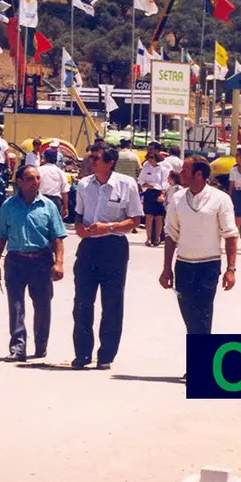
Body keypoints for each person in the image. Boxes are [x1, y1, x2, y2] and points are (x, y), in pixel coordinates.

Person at [160, 156, 237, 377]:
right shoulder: (177, 199)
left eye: (185, 170)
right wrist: (167, 268)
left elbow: (231, 235)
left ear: (199, 175)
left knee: (202, 314)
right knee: (189, 316)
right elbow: (170, 235)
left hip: (208, 266)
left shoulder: (220, 199)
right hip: (183, 266)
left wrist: (231, 269)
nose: (180, 173)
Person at [71, 145, 144, 370]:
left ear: (110, 162)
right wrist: (80, 230)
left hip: (114, 247)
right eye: (91, 157)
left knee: (112, 303)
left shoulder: (126, 184)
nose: (91, 161)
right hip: (89, 248)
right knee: (82, 303)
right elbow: (78, 217)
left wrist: (109, 227)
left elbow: (135, 220)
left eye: (96, 158)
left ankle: (106, 355)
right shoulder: (84, 185)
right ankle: (82, 353)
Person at [0, 165, 66, 362]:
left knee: (42, 305)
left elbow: (58, 237)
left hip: (41, 261)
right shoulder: (8, 206)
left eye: (37, 178)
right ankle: (18, 348)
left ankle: (41, 345)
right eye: (30, 179)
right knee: (15, 306)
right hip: (15, 261)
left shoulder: (48, 206)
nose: (36, 182)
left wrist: (59, 263)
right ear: (20, 182)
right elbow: (1, 237)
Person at [138, 150, 167, 247]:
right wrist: (146, 185)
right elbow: (141, 179)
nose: (150, 160)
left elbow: (165, 182)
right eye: (149, 158)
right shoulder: (146, 167)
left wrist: (163, 194)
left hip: (159, 192)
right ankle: (148, 238)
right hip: (149, 192)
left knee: (159, 217)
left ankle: (157, 237)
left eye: (152, 158)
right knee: (149, 216)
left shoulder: (162, 168)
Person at [37, 149, 70, 221]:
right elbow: (64, 192)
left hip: (39, 200)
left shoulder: (38, 170)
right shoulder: (60, 172)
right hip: (55, 202)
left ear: (45, 158)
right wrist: (66, 208)